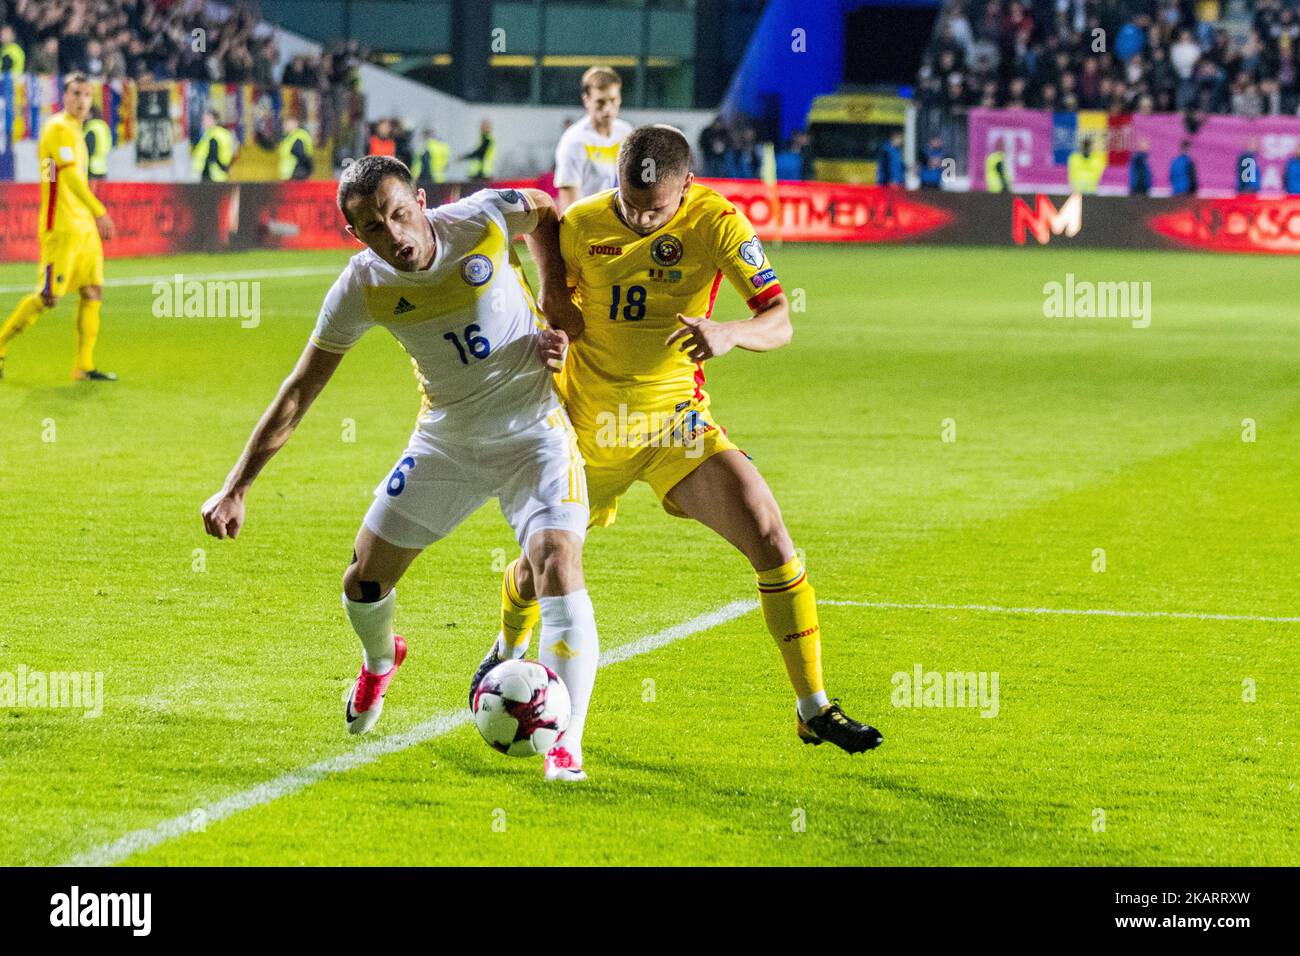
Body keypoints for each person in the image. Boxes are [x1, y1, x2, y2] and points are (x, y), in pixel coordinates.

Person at [469, 125, 884, 759]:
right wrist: (552, 337)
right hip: (586, 423)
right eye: (628, 203)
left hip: (673, 422)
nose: (637, 217)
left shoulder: (717, 222)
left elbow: (780, 323)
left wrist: (730, 332)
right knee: (538, 568)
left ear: (686, 187)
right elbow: (553, 309)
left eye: (653, 209)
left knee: (770, 535)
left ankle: (814, 708)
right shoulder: (581, 225)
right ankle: (507, 651)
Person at [200, 156, 598, 783]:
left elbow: (545, 209)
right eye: (373, 229)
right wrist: (237, 485)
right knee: (363, 581)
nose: (395, 237)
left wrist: (551, 295)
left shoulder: (484, 217)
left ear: (419, 199)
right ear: (354, 235)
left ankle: (564, 745)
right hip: (448, 440)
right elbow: (301, 389)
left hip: (535, 431)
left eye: (399, 214)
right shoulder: (362, 287)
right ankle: (381, 662)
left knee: (556, 558)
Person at [0, 73, 116, 382]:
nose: (81, 100)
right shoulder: (58, 129)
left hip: (84, 228)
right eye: (76, 93)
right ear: (64, 96)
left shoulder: (78, 131)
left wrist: (91, 217)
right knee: (50, 296)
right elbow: (70, 178)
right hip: (61, 226)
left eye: (87, 95)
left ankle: (84, 366)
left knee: (93, 290)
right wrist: (100, 211)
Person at [552, 66, 634, 214]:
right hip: (590, 226)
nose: (608, 108)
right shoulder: (574, 141)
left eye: (613, 100)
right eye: (600, 102)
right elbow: (568, 207)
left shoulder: (627, 133)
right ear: (586, 100)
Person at [191, 109, 237, 182]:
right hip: (220, 175)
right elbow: (234, 151)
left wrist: (223, 168)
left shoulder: (214, 135)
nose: (203, 122)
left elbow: (212, 156)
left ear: (214, 120)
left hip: (211, 175)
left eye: (206, 119)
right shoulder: (224, 133)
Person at [277, 116, 314, 181]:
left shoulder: (298, 137)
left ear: (295, 124)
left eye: (287, 124)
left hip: (297, 173)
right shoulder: (288, 138)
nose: (284, 126)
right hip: (289, 174)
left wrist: (309, 168)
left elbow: (301, 155)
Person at [83, 106, 112, 181]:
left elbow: (88, 150)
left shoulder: (91, 128)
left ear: (90, 114)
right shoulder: (103, 126)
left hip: (91, 169)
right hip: (102, 168)